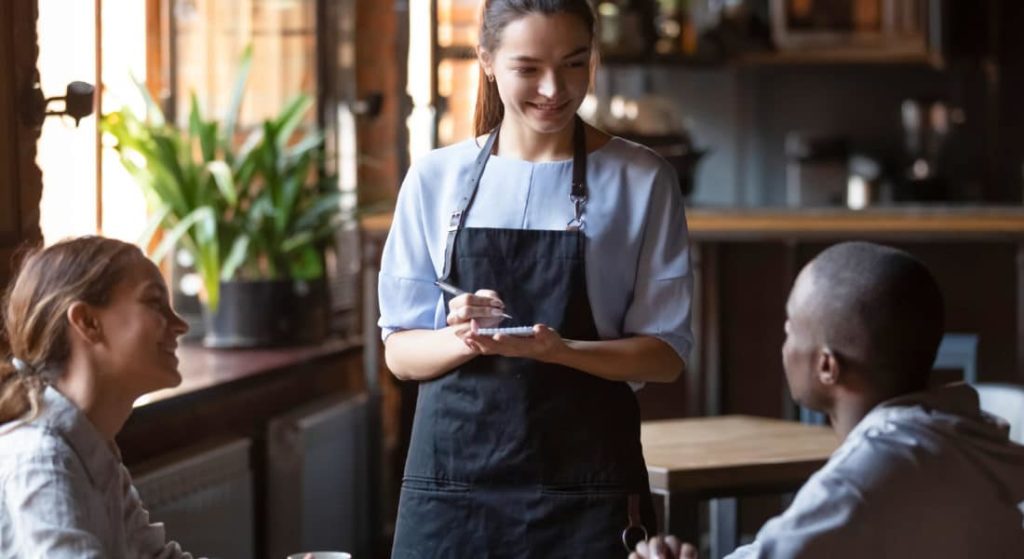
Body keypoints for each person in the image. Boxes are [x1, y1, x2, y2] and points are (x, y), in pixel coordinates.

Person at [378, 0, 693, 555]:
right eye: (529, 68)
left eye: (574, 64)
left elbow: (664, 355)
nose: (554, 88)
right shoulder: (434, 178)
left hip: (587, 491)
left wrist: (562, 349)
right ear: (488, 62)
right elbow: (400, 353)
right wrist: (462, 337)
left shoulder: (642, 179)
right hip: (453, 493)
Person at [630, 241, 1024, 559]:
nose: (783, 347)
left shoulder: (868, 476)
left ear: (827, 366)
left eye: (790, 329)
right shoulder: (961, 444)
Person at [0, 236, 193, 558]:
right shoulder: (42, 461)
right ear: (88, 322)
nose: (180, 325)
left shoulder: (92, 449)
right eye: (155, 302)